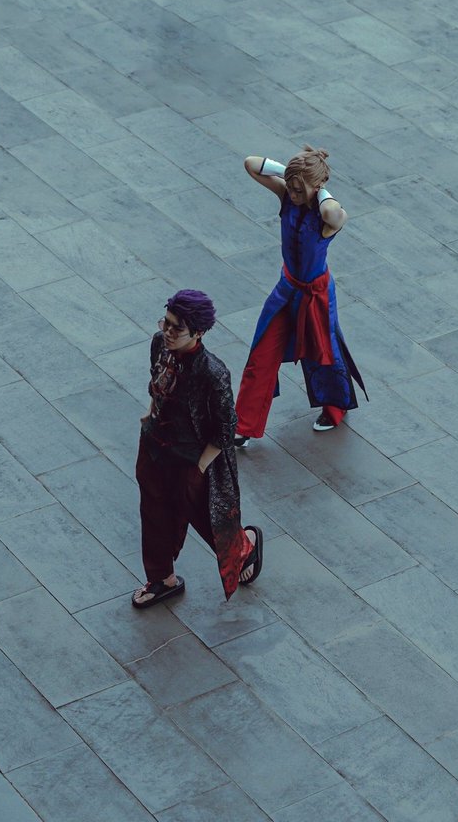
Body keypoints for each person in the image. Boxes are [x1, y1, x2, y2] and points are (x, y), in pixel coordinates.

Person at [133, 288, 263, 608]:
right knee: (154, 512)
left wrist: (201, 466)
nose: (167, 331)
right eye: (166, 322)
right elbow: (158, 382)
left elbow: (225, 427)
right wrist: (151, 412)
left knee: (207, 518)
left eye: (177, 328)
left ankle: (244, 549)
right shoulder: (158, 343)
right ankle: (162, 578)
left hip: (192, 456)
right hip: (155, 446)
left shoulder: (212, 372)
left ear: (199, 332)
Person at [234, 145, 366, 448]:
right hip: (286, 289)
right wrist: (292, 174)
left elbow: (333, 212)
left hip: (316, 295)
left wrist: (318, 188)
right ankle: (243, 425)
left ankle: (335, 407)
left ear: (316, 187)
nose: (292, 194)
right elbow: (251, 163)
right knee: (261, 351)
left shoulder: (328, 217)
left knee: (324, 354)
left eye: (298, 189)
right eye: (290, 188)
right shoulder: (286, 196)